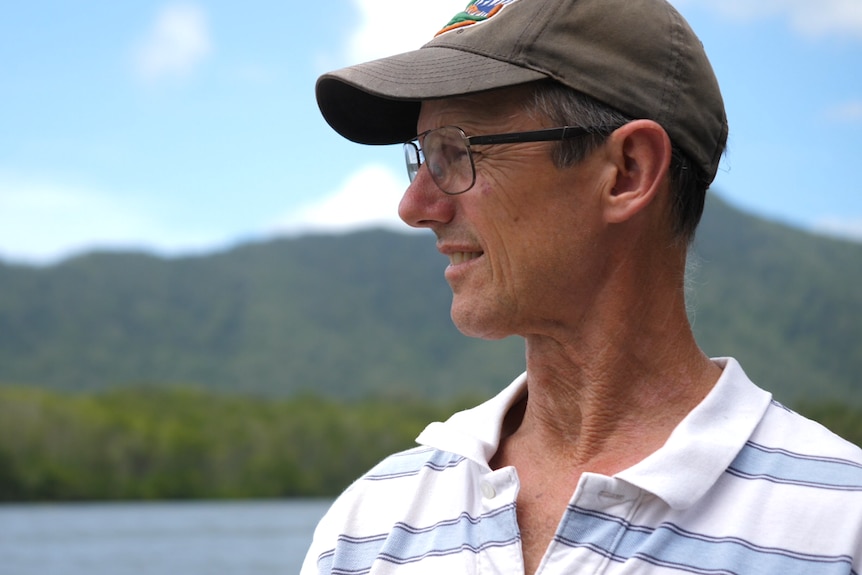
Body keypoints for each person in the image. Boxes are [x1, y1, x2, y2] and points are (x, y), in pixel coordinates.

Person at [303, 0, 862, 572]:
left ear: (628, 171)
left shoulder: (839, 528)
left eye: (456, 152)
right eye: (421, 157)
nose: (415, 206)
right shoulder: (367, 527)